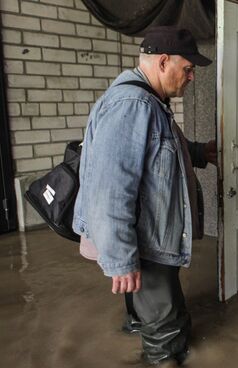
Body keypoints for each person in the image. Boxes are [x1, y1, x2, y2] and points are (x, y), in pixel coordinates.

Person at [72, 26, 214, 365]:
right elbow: (110, 189)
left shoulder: (149, 99)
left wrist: (197, 152)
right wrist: (121, 259)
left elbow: (154, 150)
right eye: (188, 69)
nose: (191, 77)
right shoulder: (132, 104)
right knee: (164, 333)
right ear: (164, 62)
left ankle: (139, 326)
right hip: (145, 240)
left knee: (156, 311)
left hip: (148, 237)